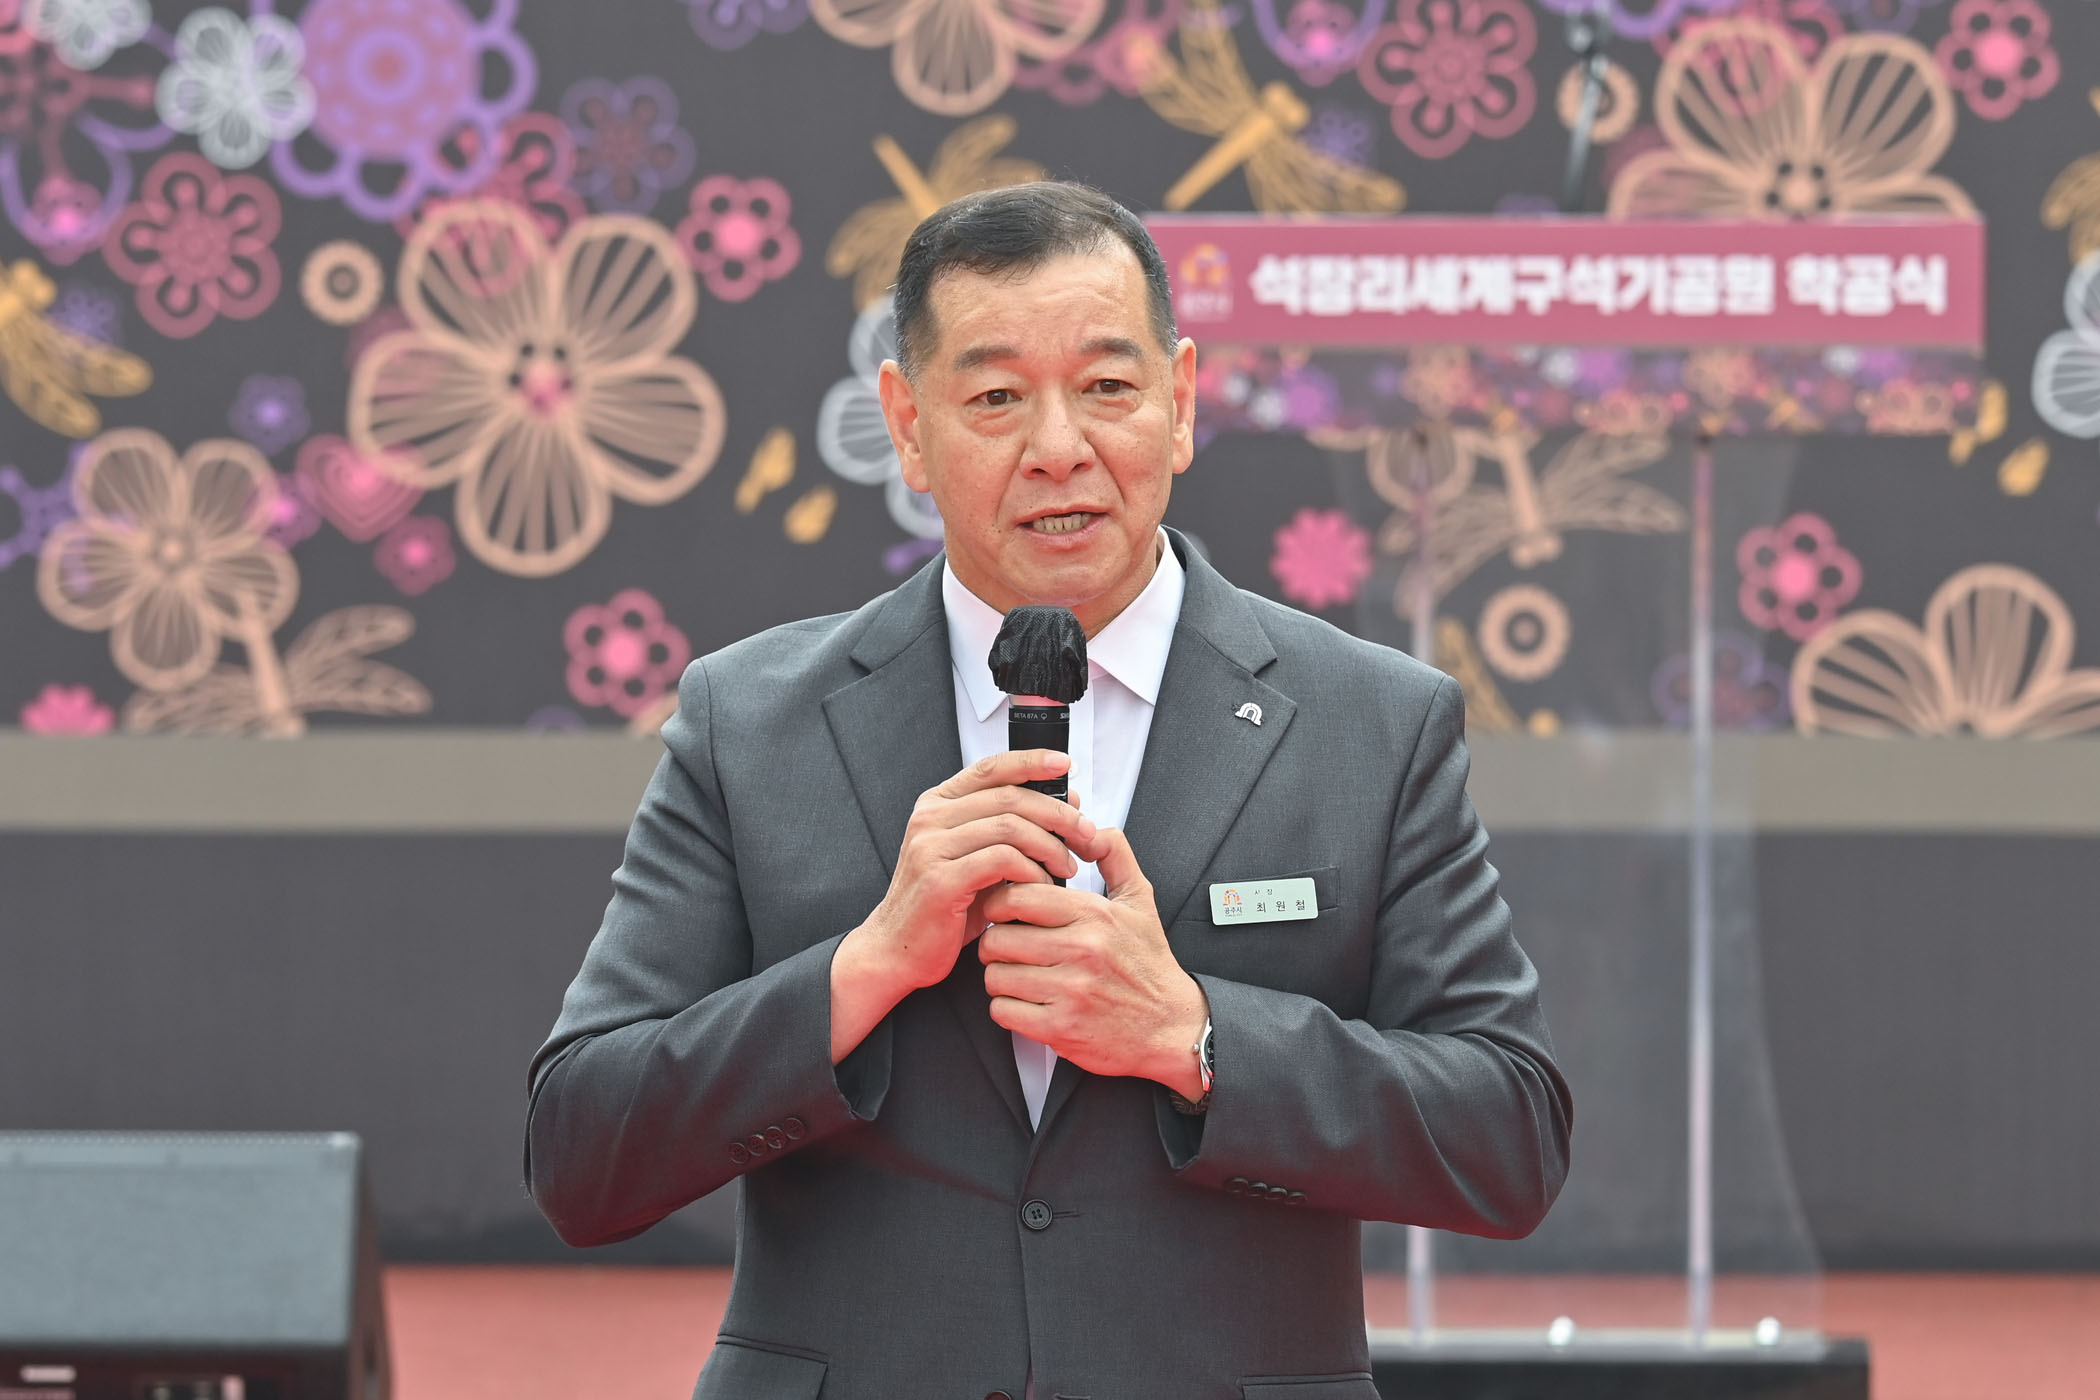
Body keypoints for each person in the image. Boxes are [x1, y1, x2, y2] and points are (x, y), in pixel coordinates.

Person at [525, 182, 1572, 1400]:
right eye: (996, 398)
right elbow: (581, 1153)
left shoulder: (1372, 721)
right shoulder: (750, 720)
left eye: (1108, 386)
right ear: (908, 427)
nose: (1059, 446)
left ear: (1180, 401)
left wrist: (1195, 1036)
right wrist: (865, 966)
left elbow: (1509, 1136)